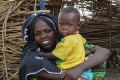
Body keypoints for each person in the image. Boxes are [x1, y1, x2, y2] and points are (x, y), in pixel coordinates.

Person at [19, 12, 110, 80]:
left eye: (48, 31)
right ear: (33, 36)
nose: (43, 36)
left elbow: (104, 52)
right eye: (37, 33)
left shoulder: (67, 42)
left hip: (78, 74)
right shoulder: (33, 50)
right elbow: (29, 64)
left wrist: (78, 69)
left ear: (55, 30)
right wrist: (65, 75)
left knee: (91, 56)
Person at [39, 6, 87, 71]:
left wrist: (43, 54)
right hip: (79, 66)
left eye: (69, 25)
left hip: (67, 67)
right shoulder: (79, 36)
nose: (64, 27)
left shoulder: (66, 41)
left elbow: (55, 56)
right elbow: (84, 42)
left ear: (77, 26)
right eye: (61, 24)